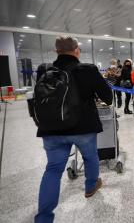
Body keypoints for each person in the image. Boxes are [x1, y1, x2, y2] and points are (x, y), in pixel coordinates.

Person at [34, 36, 112, 223]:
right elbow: (107, 97)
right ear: (77, 50)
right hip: (83, 128)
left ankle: (44, 218)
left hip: (51, 130)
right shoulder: (88, 69)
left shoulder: (44, 70)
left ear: (56, 51)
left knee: (52, 170)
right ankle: (90, 186)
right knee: (90, 156)